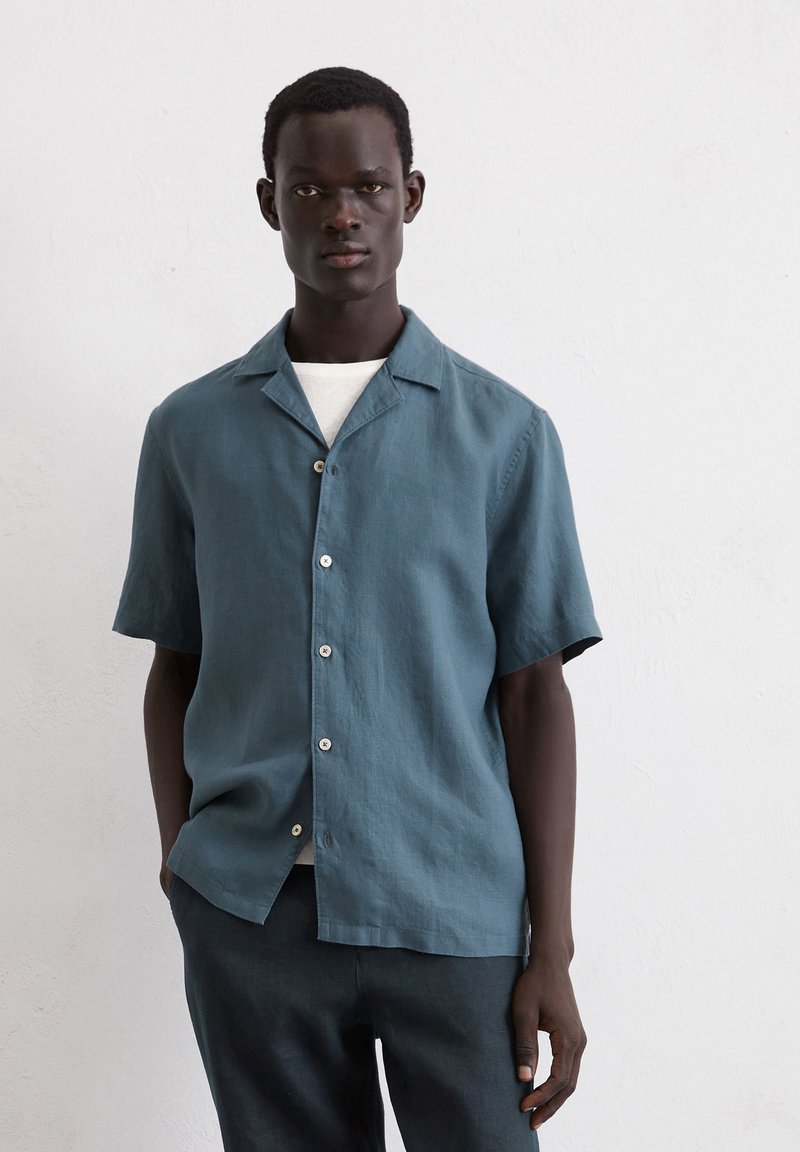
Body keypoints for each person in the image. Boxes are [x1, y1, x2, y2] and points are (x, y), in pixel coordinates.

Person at [112, 66, 603, 1152]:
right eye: (309, 189)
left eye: (369, 188)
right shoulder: (191, 432)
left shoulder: (505, 434)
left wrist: (552, 950)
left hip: (452, 911)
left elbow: (534, 697)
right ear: (268, 202)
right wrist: (183, 868)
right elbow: (175, 667)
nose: (341, 214)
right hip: (250, 919)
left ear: (410, 196)